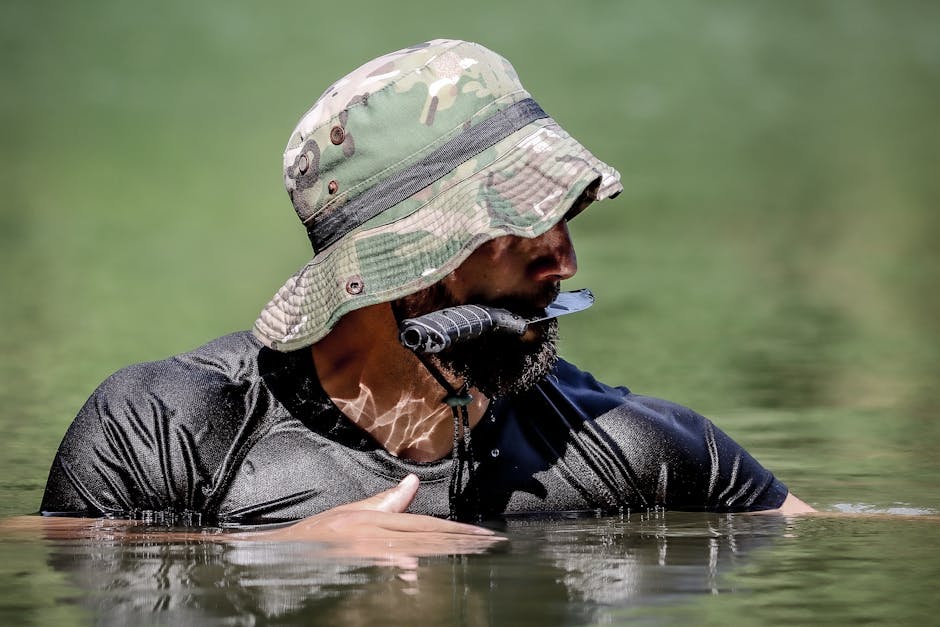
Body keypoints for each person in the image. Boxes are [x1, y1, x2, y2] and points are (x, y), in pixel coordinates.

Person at [39, 39, 813, 542]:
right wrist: (290, 547)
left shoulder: (630, 450)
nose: (566, 262)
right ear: (399, 258)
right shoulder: (167, 429)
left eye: (565, 217)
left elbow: (834, 536)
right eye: (518, 226)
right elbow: (45, 552)